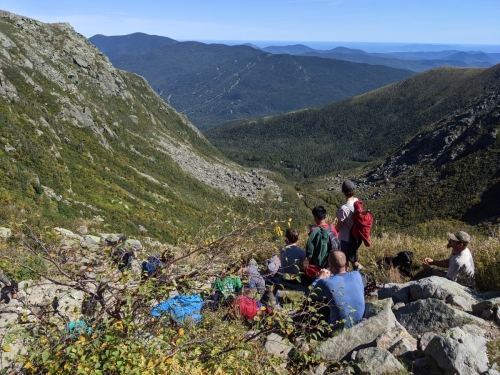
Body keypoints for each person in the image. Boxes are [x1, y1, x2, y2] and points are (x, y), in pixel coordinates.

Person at [310, 251, 365, 329]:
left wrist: (319, 278)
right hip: (359, 323)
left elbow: (308, 295)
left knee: (316, 304)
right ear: (346, 263)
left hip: (336, 329)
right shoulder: (357, 275)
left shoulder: (326, 282)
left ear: (331, 265)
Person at [335, 180, 360, 270]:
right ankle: (357, 274)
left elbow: (338, 226)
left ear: (342, 191)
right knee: (354, 258)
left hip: (345, 238)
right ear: (354, 191)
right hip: (355, 236)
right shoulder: (358, 202)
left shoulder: (344, 208)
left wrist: (332, 231)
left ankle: (346, 279)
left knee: (345, 261)